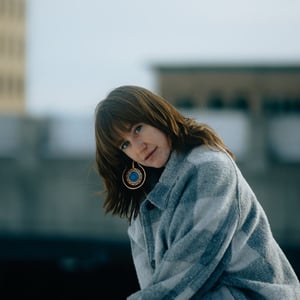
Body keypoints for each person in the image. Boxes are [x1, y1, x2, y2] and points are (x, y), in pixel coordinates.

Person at [94, 85, 300, 299]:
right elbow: (156, 285)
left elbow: (188, 272)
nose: (139, 147)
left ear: (157, 116)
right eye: (125, 144)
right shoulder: (144, 200)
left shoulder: (209, 167)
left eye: (138, 128)